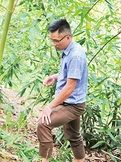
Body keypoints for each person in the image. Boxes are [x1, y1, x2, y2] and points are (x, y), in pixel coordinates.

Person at [37, 19, 88, 162]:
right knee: (73, 135)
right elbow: (71, 75)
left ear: (68, 37)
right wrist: (55, 77)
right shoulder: (69, 50)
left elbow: (70, 87)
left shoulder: (75, 55)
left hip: (72, 105)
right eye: (52, 40)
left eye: (56, 41)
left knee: (43, 124)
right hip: (72, 101)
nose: (54, 44)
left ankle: (44, 159)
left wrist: (50, 107)